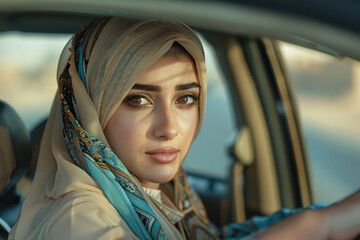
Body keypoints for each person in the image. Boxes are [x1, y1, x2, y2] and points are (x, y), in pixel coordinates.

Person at [9, 16, 360, 240]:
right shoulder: (79, 222)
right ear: (92, 112)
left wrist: (326, 220)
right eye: (138, 100)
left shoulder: (158, 195)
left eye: (186, 99)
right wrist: (320, 226)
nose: (168, 128)